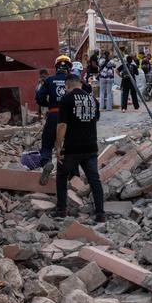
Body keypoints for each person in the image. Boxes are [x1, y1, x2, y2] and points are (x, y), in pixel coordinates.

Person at [53, 74, 105, 222]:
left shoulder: (66, 99)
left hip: (72, 148)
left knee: (62, 176)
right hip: (90, 146)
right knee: (94, 180)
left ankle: (61, 210)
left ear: (67, 85)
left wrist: (58, 147)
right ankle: (100, 214)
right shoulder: (92, 99)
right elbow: (96, 119)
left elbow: (62, 125)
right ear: (80, 84)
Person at [36, 55, 73, 185]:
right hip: (70, 117)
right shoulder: (73, 81)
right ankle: (72, 175)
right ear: (69, 68)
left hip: (53, 114)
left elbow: (39, 98)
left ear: (56, 67)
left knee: (47, 144)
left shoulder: (50, 80)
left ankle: (47, 162)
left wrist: (49, 104)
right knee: (69, 145)